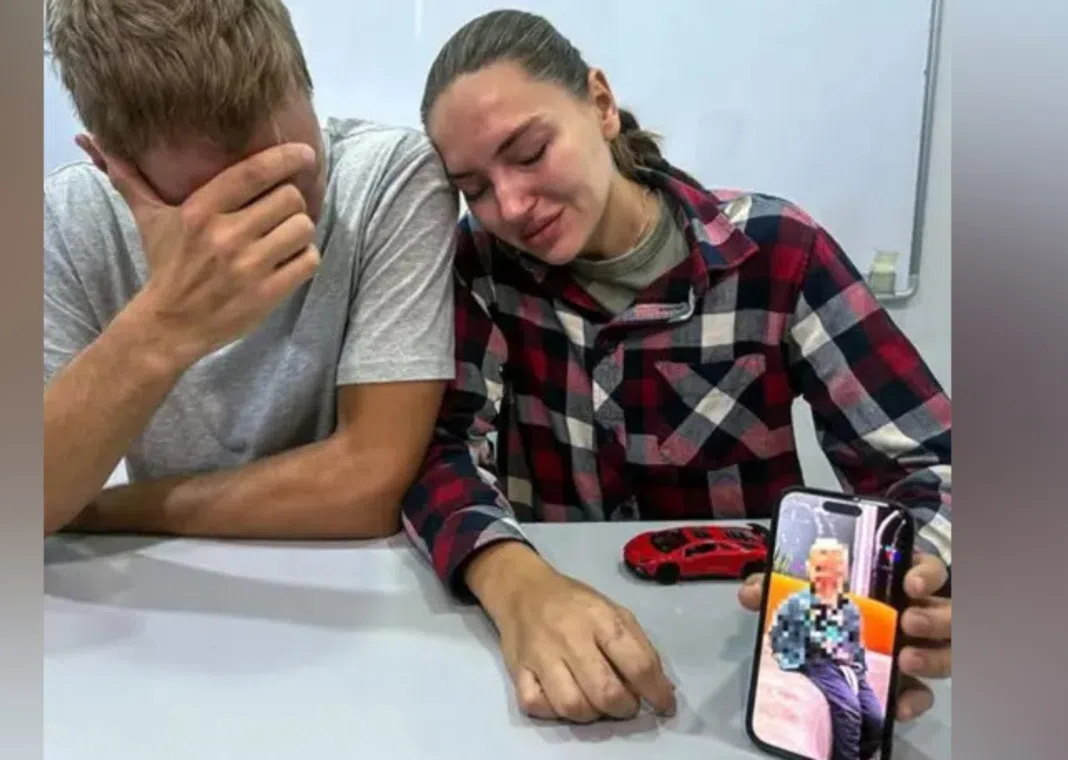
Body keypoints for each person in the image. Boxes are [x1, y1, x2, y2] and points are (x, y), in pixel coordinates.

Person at [402, 9, 953, 725]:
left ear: (599, 104)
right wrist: (514, 579)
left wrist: (907, 578)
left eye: (531, 152)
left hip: (746, 647)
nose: (508, 205)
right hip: (553, 656)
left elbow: (931, 465)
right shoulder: (479, 267)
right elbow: (438, 451)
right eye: (474, 187)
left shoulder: (778, 252)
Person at [43, 0, 458, 538]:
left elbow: (368, 485)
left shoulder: (391, 177)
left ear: (304, 80)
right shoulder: (71, 216)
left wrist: (96, 509)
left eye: (299, 174)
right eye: (234, 201)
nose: (283, 218)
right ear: (114, 165)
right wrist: (163, 327)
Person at [770, 539, 883, 760]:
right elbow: (781, 639)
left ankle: (863, 753)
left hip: (850, 668)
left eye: (835, 569)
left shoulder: (850, 609)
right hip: (819, 663)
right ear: (808, 568)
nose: (827, 576)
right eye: (820, 568)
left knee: (876, 717)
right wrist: (800, 657)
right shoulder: (796, 604)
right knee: (848, 710)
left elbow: (856, 645)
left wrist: (857, 664)